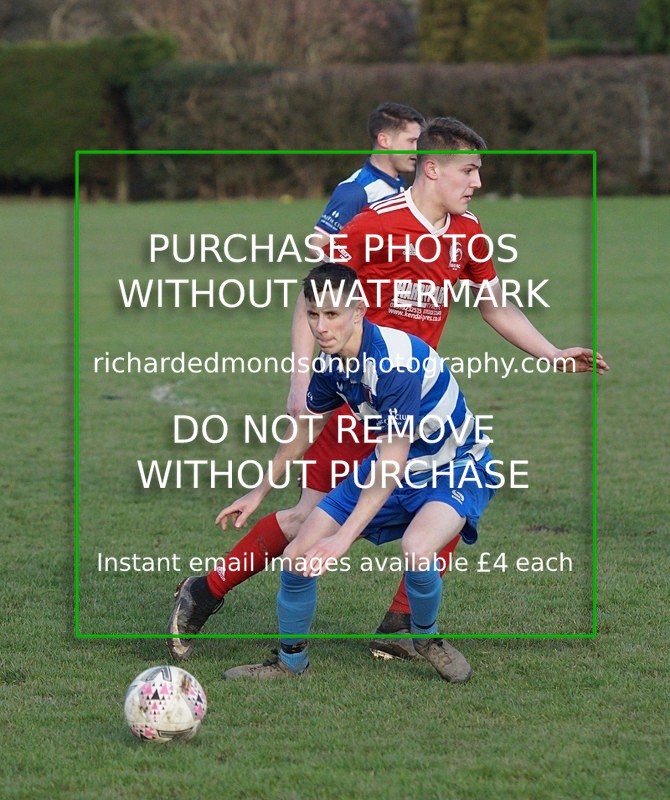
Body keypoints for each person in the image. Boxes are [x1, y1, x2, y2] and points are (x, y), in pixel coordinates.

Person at [166, 117, 609, 670]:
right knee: (309, 520)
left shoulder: (468, 233)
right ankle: (206, 589)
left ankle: (401, 626)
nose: (476, 184)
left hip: (413, 400)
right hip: (355, 400)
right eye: (469, 171)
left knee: (443, 496)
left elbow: (493, 303)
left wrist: (550, 352)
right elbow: (317, 293)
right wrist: (302, 378)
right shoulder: (375, 223)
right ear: (432, 169)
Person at [220, 264, 496, 682]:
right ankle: (290, 664)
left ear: (359, 311)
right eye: (313, 314)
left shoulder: (394, 365)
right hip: (391, 464)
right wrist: (259, 490)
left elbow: (391, 465)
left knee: (418, 550)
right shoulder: (332, 362)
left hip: (452, 467)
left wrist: (341, 541)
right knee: (296, 559)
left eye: (332, 315)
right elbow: (308, 426)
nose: (320, 327)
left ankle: (426, 637)